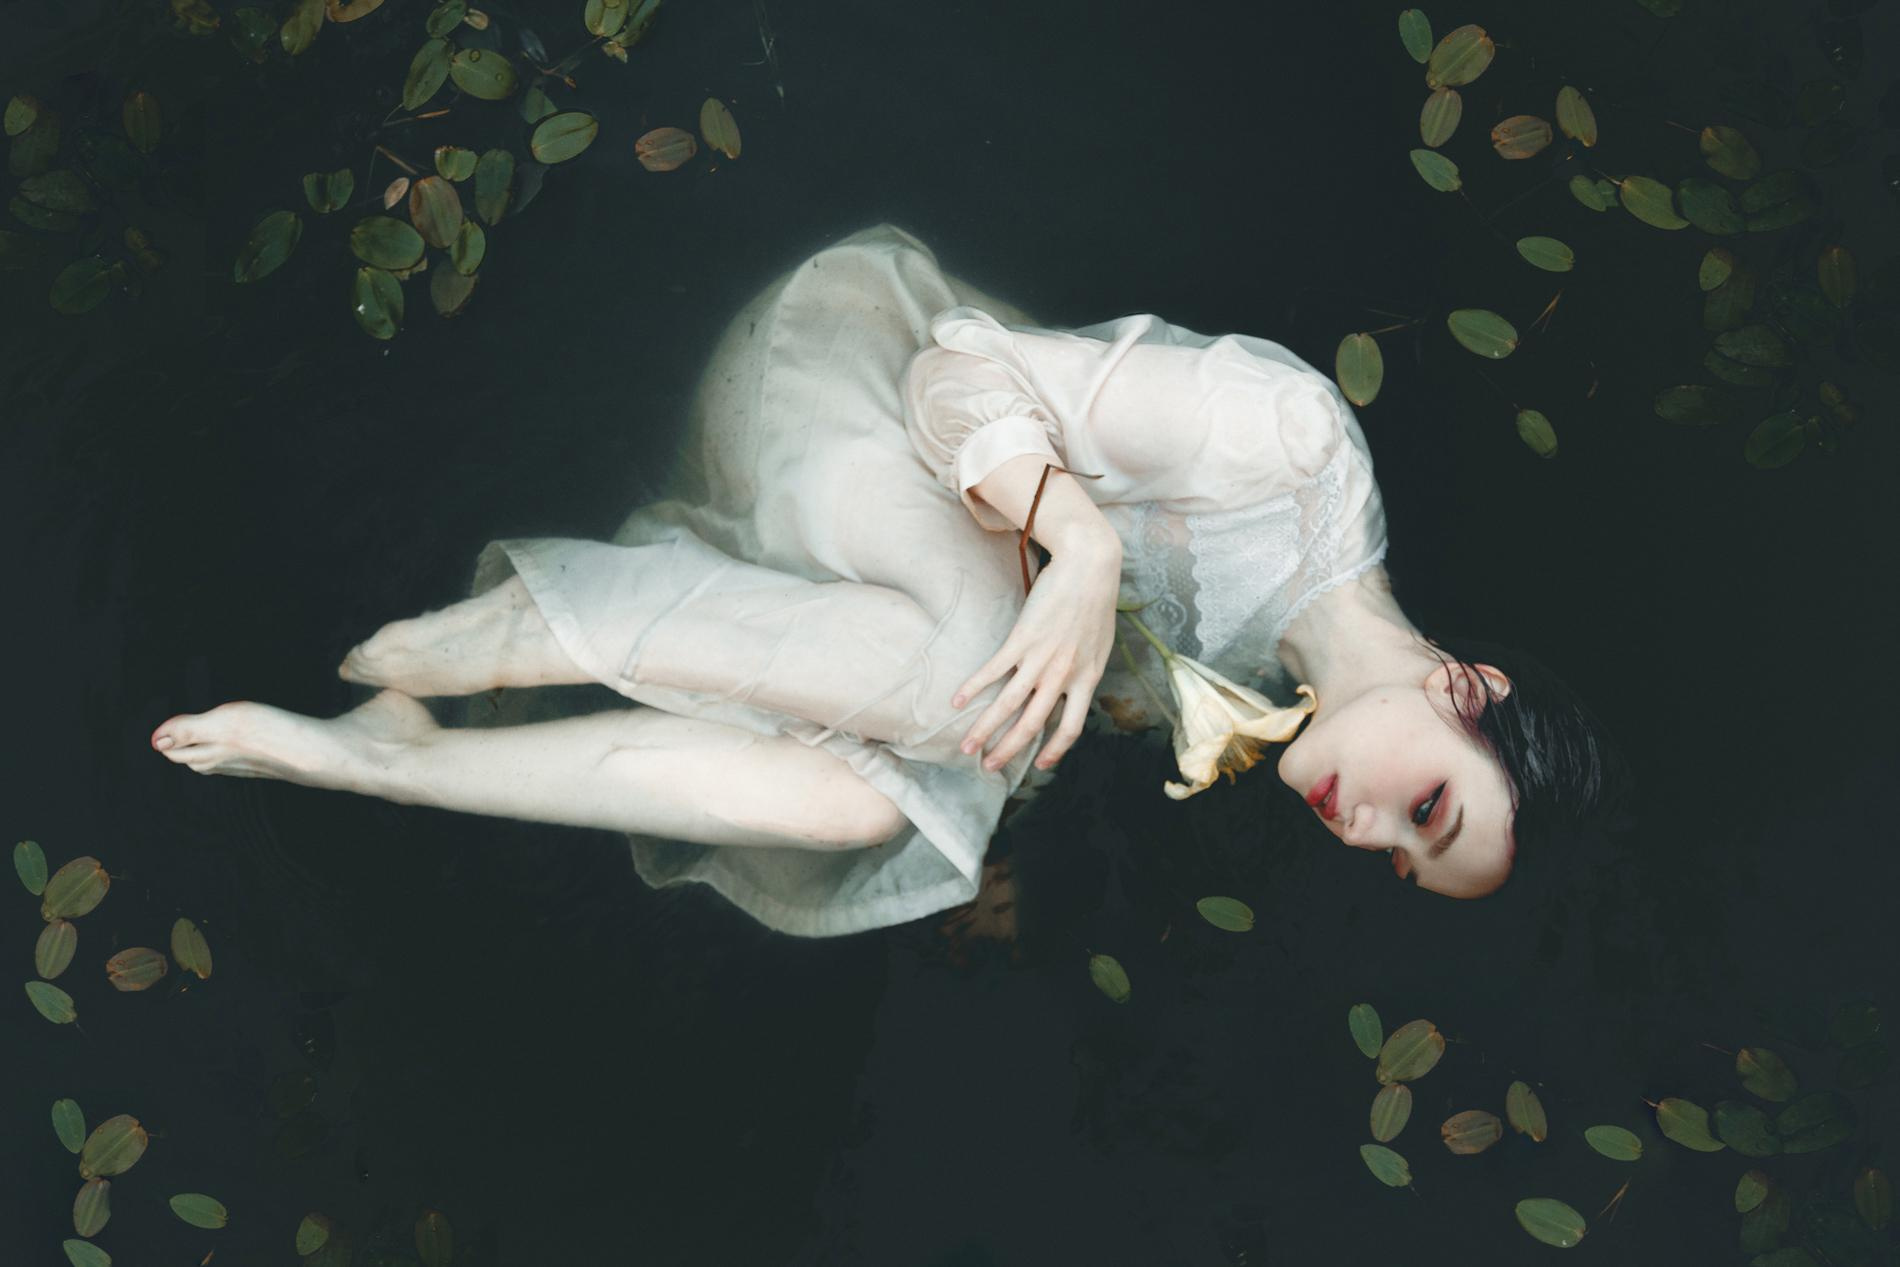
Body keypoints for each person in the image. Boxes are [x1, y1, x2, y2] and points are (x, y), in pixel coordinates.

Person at [148, 223, 1629, 936]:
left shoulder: (1256, 695)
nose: (1365, 830)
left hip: (858, 561)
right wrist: (1084, 545)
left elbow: (1044, 684)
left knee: (883, 810)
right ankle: (508, 638)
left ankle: (394, 763)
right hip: (842, 366)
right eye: (1429, 808)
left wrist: (998, 835)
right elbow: (951, 372)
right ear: (1465, 689)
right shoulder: (1293, 445)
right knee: (953, 685)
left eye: (1398, 860)